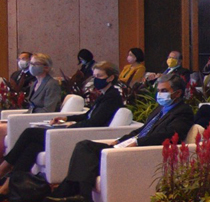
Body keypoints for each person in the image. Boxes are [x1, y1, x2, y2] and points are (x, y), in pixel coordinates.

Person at [1, 74, 195, 202]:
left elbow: (170, 135)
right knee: (81, 153)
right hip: (126, 148)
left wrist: (133, 143)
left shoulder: (183, 111)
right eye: (159, 90)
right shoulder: (159, 110)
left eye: (164, 91)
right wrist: (120, 140)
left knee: (81, 156)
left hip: (139, 156)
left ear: (177, 93)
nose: (159, 94)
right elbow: (142, 130)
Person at [0, 61, 124, 191]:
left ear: (110, 78)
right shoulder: (104, 95)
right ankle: (9, 186)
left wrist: (68, 127)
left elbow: (93, 122)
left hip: (79, 136)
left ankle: (3, 169)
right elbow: (87, 115)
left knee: (30, 133)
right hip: (74, 132)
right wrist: (66, 118)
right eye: (94, 76)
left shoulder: (112, 98)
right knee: (32, 147)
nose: (95, 80)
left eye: (99, 76)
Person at [0, 54, 63, 154]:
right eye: (31, 63)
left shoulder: (52, 84)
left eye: (35, 64)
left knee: (1, 129)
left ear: (46, 67)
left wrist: (27, 117)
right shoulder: (34, 83)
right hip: (30, 116)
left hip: (39, 120)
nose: (31, 66)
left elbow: (49, 110)